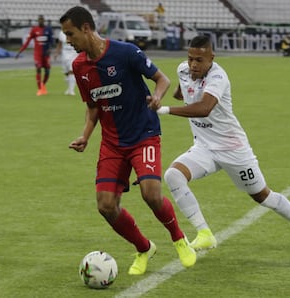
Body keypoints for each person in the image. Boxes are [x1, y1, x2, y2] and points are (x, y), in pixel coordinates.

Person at [155, 35, 290, 252]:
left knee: (262, 196)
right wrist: (182, 91)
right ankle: (204, 233)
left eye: (199, 60)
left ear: (211, 58)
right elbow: (181, 92)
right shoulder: (184, 70)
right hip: (204, 147)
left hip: (233, 149)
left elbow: (204, 108)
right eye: (190, 59)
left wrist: (165, 109)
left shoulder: (219, 76)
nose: (193, 65)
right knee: (173, 175)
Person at [59, 6, 196, 275]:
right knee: (106, 206)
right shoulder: (79, 66)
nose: (68, 40)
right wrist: (85, 136)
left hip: (143, 134)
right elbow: (93, 107)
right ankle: (144, 248)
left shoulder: (125, 52)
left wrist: (157, 96)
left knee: (151, 193)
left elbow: (162, 79)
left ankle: (179, 239)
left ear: (86, 28)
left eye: (70, 33)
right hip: (112, 143)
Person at [16, 15, 54, 96]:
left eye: (42, 20)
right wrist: (20, 52)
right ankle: (40, 89)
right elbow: (27, 42)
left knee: (47, 72)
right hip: (37, 54)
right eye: (39, 20)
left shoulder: (48, 29)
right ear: (38, 21)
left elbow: (52, 42)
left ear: (44, 21)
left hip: (46, 54)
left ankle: (43, 85)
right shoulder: (34, 30)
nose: (41, 21)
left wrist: (50, 49)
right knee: (38, 68)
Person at [54, 30, 78, 96]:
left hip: (73, 53)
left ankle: (71, 90)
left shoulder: (75, 31)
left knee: (71, 71)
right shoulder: (61, 33)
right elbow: (59, 44)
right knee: (66, 72)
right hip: (64, 53)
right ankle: (69, 88)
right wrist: (56, 53)